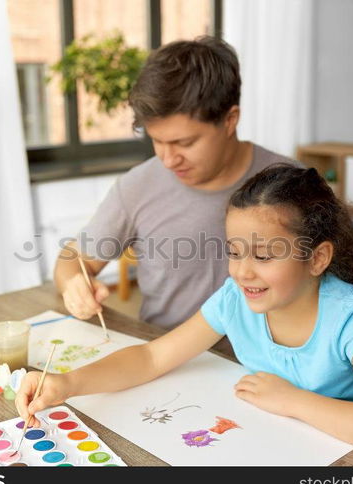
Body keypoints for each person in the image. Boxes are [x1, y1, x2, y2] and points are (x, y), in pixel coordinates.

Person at [18, 165, 353, 461]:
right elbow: (151, 357)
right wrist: (67, 383)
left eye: (265, 255)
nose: (242, 271)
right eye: (233, 252)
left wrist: (292, 401)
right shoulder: (236, 298)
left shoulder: (350, 317)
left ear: (318, 258)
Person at [54, 36, 299, 330]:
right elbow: (74, 259)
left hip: (267, 365)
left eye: (184, 142)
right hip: (164, 357)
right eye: (157, 141)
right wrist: (74, 283)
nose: (168, 160)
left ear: (230, 120)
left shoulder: (292, 183)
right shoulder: (137, 186)